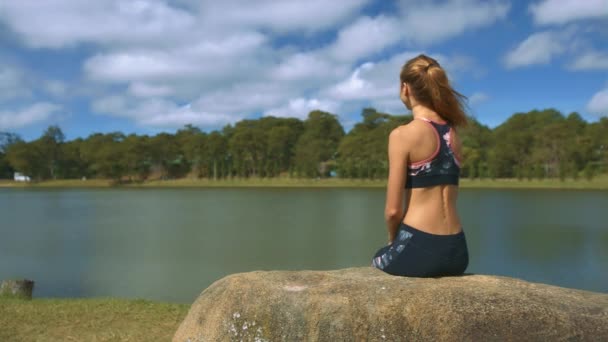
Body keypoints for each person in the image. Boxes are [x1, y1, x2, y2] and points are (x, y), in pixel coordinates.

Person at [371, 54, 469, 277]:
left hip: (420, 245)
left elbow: (393, 211)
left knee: (377, 258)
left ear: (405, 88)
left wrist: (392, 241)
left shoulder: (402, 135)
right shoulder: (454, 134)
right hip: (458, 251)